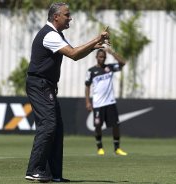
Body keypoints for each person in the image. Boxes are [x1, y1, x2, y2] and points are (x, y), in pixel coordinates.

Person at [25, 2, 109, 183]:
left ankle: (53, 174)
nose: (70, 18)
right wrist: (96, 39)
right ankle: (34, 169)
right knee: (48, 125)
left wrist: (94, 46)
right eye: (67, 15)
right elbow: (73, 54)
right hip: (39, 84)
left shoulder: (56, 34)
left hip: (45, 85)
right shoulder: (49, 35)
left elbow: (76, 53)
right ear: (56, 17)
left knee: (56, 128)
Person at [85, 47, 128, 156]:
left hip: (110, 102)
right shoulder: (91, 71)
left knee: (116, 125)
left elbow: (123, 63)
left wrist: (112, 52)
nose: (102, 59)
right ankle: (100, 148)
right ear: (96, 57)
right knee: (98, 126)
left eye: (104, 57)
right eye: (100, 57)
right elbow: (87, 86)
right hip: (98, 103)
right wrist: (87, 102)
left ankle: (117, 148)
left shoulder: (110, 67)